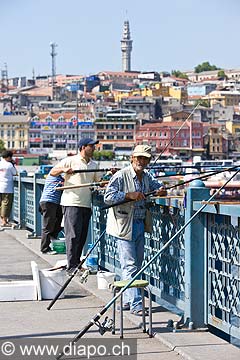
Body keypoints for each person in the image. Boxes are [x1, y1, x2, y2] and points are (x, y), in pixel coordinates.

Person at [104, 144, 167, 316]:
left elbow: (158, 187)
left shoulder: (147, 177)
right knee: (130, 265)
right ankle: (136, 304)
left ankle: (127, 299)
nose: (142, 161)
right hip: (125, 224)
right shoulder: (121, 175)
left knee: (136, 265)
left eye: (145, 158)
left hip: (140, 223)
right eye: (139, 157)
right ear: (132, 158)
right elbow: (108, 197)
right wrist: (128, 195)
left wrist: (161, 191)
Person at [50, 138, 99, 274]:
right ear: (83, 147)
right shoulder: (70, 160)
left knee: (82, 236)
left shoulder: (94, 165)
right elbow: (52, 172)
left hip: (86, 204)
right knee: (73, 236)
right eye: (91, 146)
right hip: (71, 202)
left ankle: (76, 263)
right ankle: (71, 266)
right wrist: (64, 169)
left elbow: (98, 182)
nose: (94, 148)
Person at [39, 174, 64, 255]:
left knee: (59, 222)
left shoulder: (58, 176)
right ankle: (45, 248)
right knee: (48, 226)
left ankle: (52, 238)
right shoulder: (56, 173)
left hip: (53, 202)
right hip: (49, 202)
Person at [0, 150, 18, 228]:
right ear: (8, 157)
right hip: (7, 187)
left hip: (0, 186)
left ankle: (2, 220)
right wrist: (13, 164)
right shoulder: (9, 165)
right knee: (6, 204)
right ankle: (4, 221)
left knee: (1, 204)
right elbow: (15, 173)